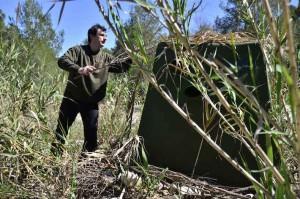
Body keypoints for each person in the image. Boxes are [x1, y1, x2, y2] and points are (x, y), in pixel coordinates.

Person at [51, 24, 131, 155]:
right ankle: (54, 161)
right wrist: (80, 69)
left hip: (91, 104)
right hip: (71, 99)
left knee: (91, 139)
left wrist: (130, 56)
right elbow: (62, 61)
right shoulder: (77, 51)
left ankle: (84, 165)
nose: (105, 38)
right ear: (91, 36)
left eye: (105, 36)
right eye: (101, 35)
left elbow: (123, 67)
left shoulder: (107, 58)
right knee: (61, 132)